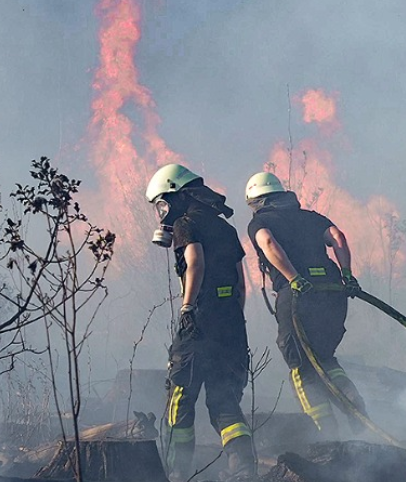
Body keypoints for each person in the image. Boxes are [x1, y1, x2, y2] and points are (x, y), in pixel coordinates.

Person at [146, 164, 256, 481]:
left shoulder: (185, 223)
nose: (162, 213)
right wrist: (232, 318)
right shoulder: (225, 228)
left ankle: (178, 473)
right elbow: (240, 283)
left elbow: (195, 263)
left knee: (180, 397)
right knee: (224, 401)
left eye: (163, 204)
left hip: (200, 318)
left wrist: (187, 307)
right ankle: (244, 470)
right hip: (231, 322)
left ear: (176, 196)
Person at [243, 172, 366, 438]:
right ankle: (356, 409)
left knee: (300, 367)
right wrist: (346, 274)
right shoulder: (312, 217)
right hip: (333, 291)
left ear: (257, 201)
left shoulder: (261, 221)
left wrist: (293, 278)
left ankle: (326, 436)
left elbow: (267, 242)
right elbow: (338, 237)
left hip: (298, 294)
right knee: (325, 358)